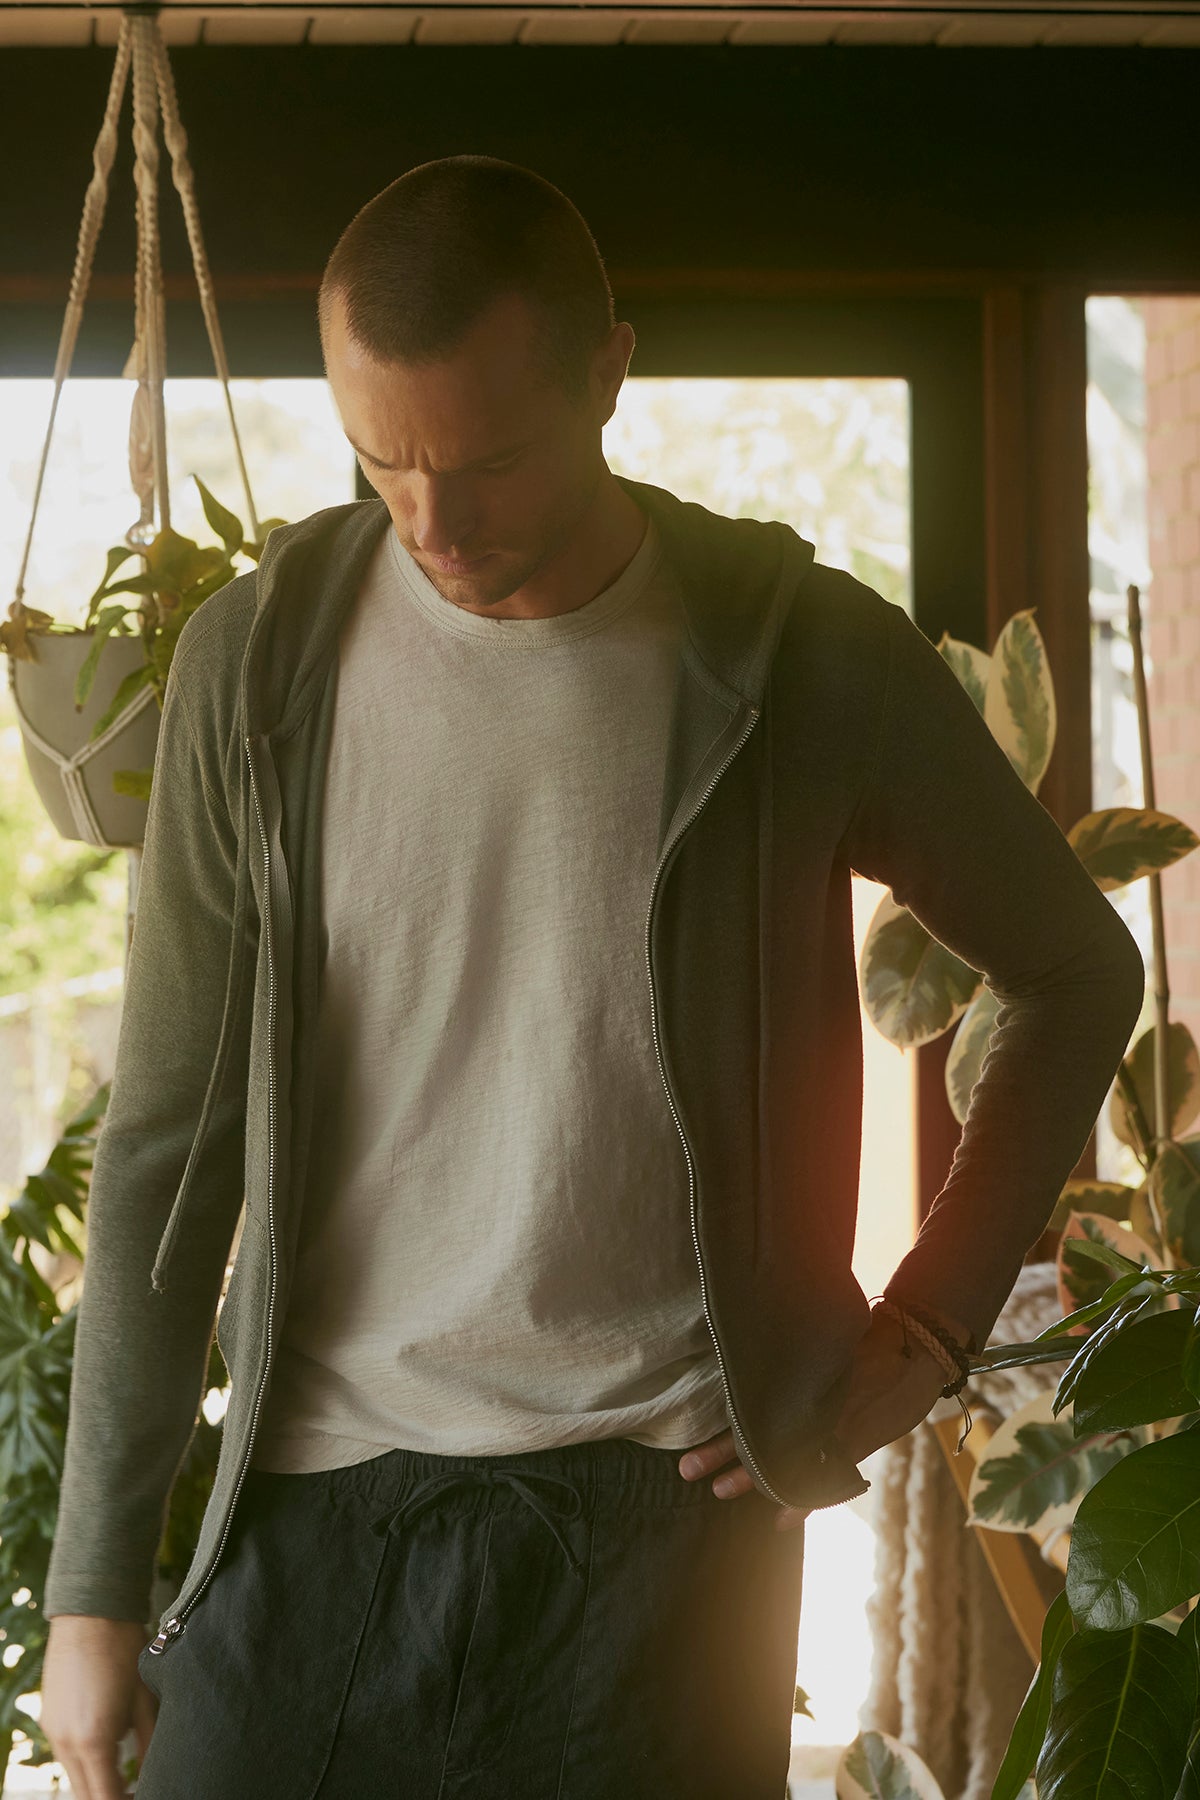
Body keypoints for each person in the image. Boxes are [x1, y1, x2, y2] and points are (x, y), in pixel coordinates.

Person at [38, 156, 1144, 1800]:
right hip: (310, 1495)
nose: (437, 521)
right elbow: (165, 1144)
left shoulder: (798, 653)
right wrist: (93, 1587)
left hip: (662, 1519)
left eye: (485, 459)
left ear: (610, 371)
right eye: (381, 459)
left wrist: (927, 1323)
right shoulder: (253, 667)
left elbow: (1074, 970)